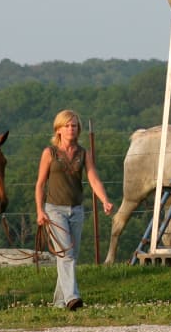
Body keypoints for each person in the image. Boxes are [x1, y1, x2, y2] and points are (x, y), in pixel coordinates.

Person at [34, 110, 114, 310]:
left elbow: (93, 178)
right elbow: (40, 184)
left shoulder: (83, 153)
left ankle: (60, 303)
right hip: (54, 210)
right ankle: (72, 298)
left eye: (74, 126)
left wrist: (104, 200)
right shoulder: (49, 153)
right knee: (67, 255)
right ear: (58, 129)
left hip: (76, 210)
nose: (71, 129)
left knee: (69, 257)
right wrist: (40, 211)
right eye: (67, 126)